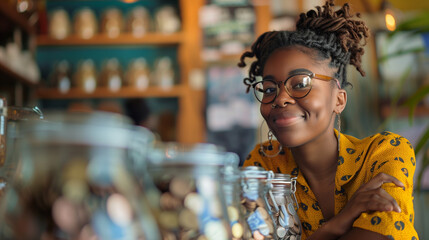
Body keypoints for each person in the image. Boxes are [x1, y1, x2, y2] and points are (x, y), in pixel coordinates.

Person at [239, 0, 418, 239]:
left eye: (300, 84)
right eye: (270, 88)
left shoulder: (384, 154)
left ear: (339, 100)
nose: (280, 99)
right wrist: (340, 223)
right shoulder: (263, 166)